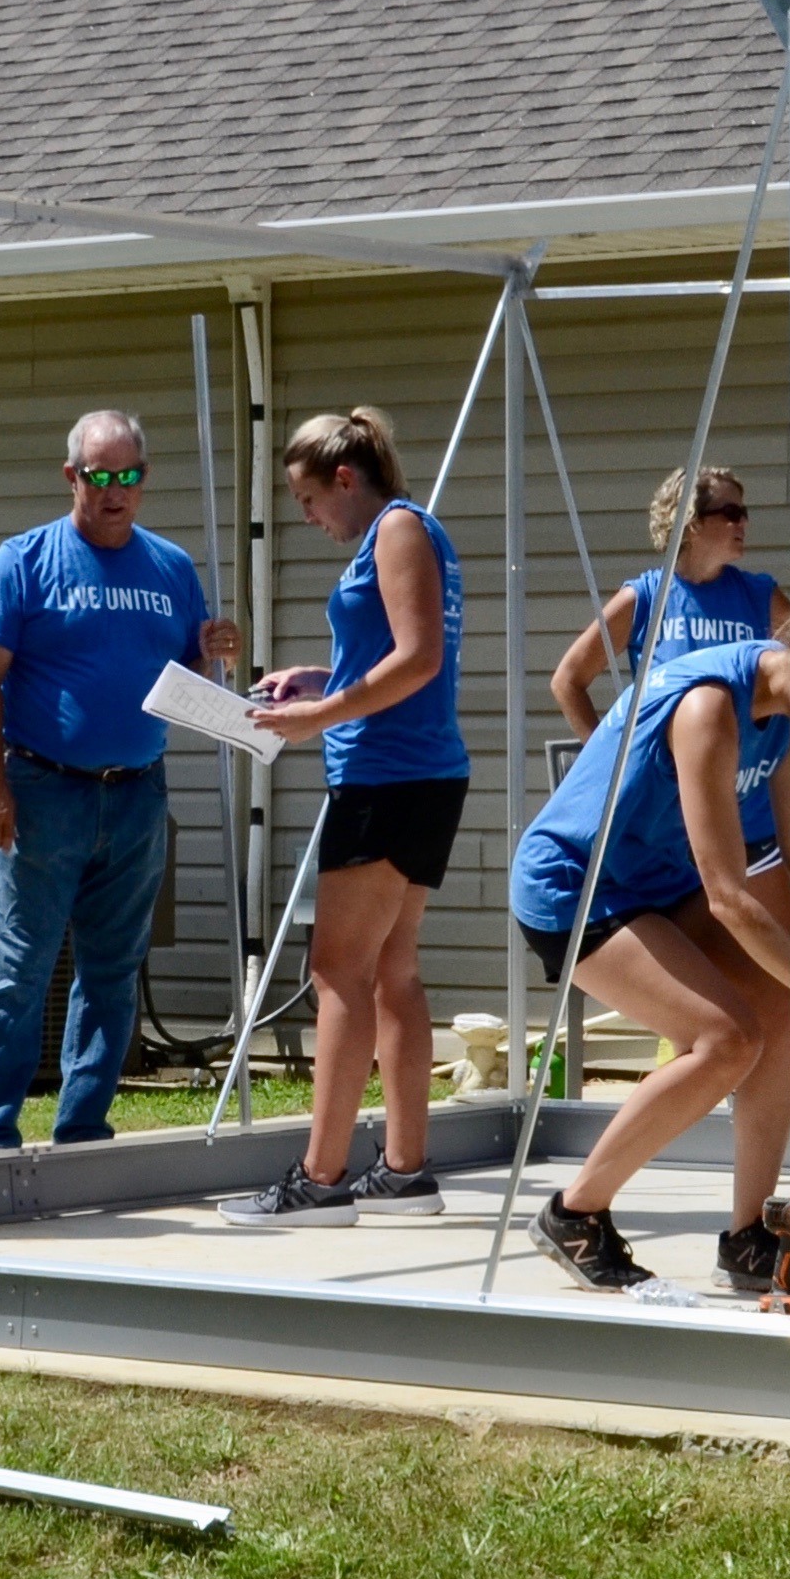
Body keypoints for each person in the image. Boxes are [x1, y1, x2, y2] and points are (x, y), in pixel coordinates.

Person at [514, 587, 790, 1296]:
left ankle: (747, 1235)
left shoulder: (785, 707)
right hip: (575, 886)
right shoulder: (709, 709)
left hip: (653, 882)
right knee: (725, 1040)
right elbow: (729, 896)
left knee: (782, 1013)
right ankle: (573, 1214)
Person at [0, 411, 243, 1149]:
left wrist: (214, 652)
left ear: (144, 479)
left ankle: (83, 1130)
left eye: (128, 477)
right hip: (44, 791)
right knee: (18, 967)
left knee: (113, 971)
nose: (114, 492)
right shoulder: (24, 560)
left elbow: (184, 678)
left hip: (138, 792)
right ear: (71, 477)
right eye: (99, 476)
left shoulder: (172, 568)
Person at [220, 406, 468, 1226]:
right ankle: (403, 1172)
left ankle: (319, 1180)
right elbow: (403, 653)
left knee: (337, 975)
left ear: (345, 478)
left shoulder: (397, 530)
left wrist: (320, 718)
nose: (308, 519)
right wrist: (321, 678)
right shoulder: (408, 531)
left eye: (307, 500)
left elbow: (420, 657)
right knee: (394, 975)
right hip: (423, 775)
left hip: (387, 779)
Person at [547, 464, 776, 734]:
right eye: (731, 513)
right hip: (668, 771)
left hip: (746, 769)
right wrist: (609, 761)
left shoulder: (760, 594)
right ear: (691, 521)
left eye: (743, 513)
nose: (743, 522)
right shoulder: (646, 597)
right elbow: (567, 681)